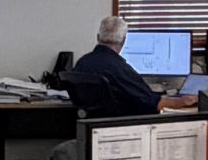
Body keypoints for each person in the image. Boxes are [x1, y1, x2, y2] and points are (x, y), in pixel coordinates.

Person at [70, 16, 198, 117]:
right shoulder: (120, 69)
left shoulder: (82, 62)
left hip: (90, 128)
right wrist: (182, 101)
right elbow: (152, 104)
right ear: (124, 40)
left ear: (98, 38)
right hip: (120, 128)